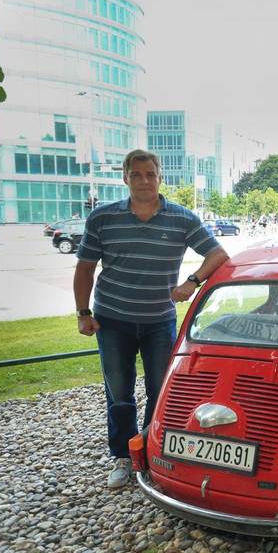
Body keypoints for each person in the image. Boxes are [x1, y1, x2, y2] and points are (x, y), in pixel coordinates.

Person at [74, 149, 229, 489]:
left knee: (160, 391)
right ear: (125, 177)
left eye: (150, 174)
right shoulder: (102, 218)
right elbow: (85, 268)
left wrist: (192, 281)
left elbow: (218, 254)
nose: (144, 180)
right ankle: (122, 456)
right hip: (112, 320)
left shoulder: (182, 218)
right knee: (119, 393)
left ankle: (147, 450)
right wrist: (83, 312)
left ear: (160, 177)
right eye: (136, 174)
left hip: (159, 321)